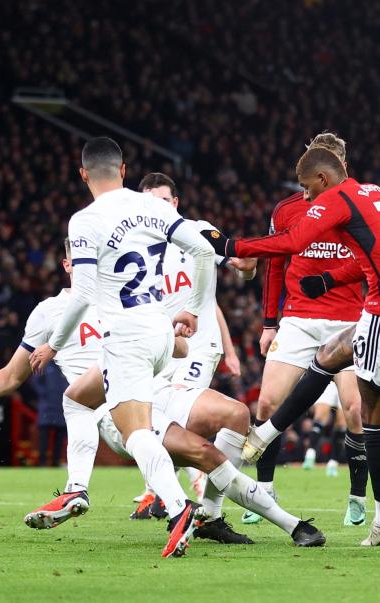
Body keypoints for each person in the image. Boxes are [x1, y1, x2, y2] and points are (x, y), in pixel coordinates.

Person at [0, 239, 324, 548]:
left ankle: (206, 514)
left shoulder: (128, 298)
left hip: (156, 386)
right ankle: (289, 525)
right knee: (203, 453)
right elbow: (13, 375)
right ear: (67, 265)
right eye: (81, 261)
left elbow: (178, 350)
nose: (90, 267)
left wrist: (173, 337)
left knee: (237, 414)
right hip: (113, 404)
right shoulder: (49, 311)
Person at [203, 146, 380, 546]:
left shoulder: (336, 199)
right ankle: (267, 439)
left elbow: (293, 241)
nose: (306, 197)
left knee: (373, 417)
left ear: (324, 179)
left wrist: (232, 247)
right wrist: (329, 281)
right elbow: (374, 258)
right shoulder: (373, 193)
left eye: (307, 187)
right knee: (332, 355)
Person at [27, 136, 218, 558]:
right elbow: (204, 251)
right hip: (162, 331)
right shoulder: (154, 206)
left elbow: (81, 295)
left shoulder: (84, 220)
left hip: (127, 337)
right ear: (125, 170)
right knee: (77, 399)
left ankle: (177, 508)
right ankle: (76, 489)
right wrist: (192, 311)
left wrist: (54, 346)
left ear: (83, 174)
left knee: (136, 433)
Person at [244, 132, 369, 527]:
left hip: (348, 319)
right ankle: (264, 492)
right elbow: (275, 265)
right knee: (267, 405)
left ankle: (356, 496)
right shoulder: (287, 210)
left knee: (354, 410)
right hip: (298, 318)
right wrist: (268, 323)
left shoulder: (360, 207)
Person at [130, 171, 256, 512]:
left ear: (175, 203)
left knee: (183, 416)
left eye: (164, 201)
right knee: (152, 416)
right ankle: (161, 491)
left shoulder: (197, 231)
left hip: (199, 345)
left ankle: (205, 491)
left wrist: (245, 267)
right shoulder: (136, 245)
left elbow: (237, 264)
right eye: (150, 202)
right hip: (160, 347)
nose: (158, 208)